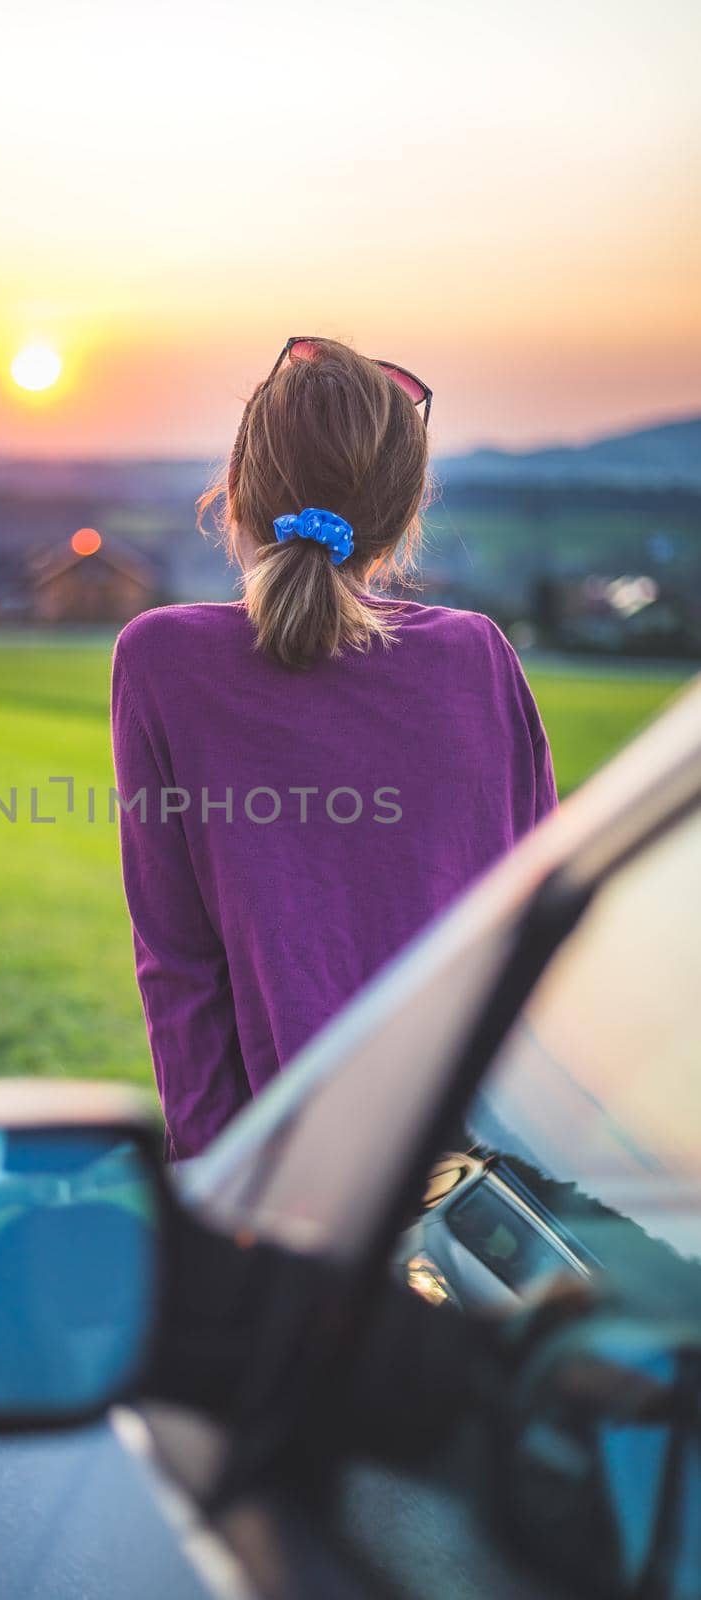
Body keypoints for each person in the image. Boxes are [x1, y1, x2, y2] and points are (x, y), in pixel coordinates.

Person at [110, 336, 557, 1162]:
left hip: (291, 1172)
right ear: (404, 515)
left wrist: (213, 1178)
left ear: (235, 493)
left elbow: (176, 960)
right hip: (485, 1160)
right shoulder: (478, 657)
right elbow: (541, 922)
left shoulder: (161, 658)